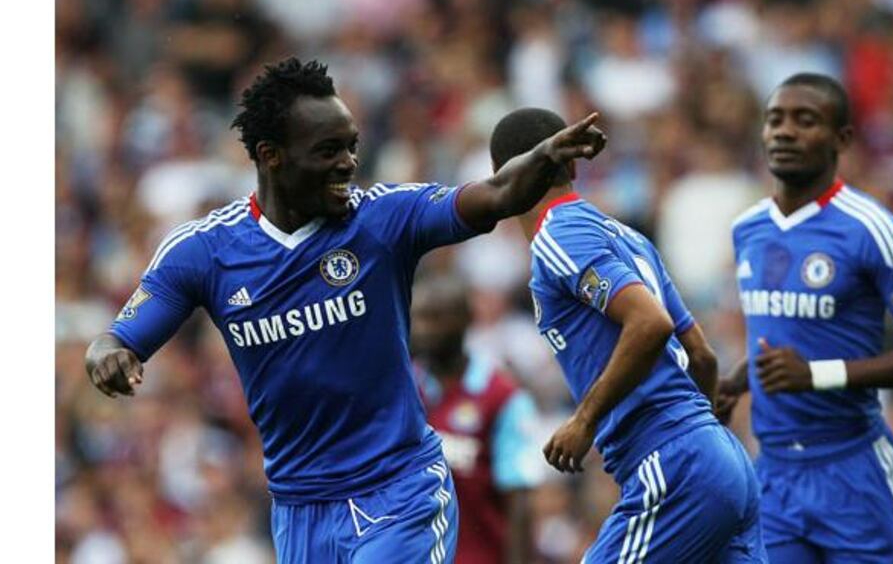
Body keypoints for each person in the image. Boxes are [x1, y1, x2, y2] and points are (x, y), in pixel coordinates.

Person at [83, 57, 607, 564]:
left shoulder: (382, 220)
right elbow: (120, 337)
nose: (348, 163)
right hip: (300, 511)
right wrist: (109, 354)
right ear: (271, 155)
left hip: (399, 492)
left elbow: (495, 194)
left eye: (352, 147)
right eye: (328, 150)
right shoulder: (204, 252)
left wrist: (545, 156)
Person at [491, 107, 768, 563]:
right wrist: (703, 437)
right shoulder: (628, 236)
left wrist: (584, 420)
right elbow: (701, 356)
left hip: (673, 464)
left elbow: (650, 323)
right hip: (720, 459)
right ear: (573, 166)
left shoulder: (557, 237)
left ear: (503, 177)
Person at [718, 73, 893, 564]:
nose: (785, 132)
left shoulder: (871, 229)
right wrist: (741, 379)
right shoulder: (748, 228)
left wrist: (817, 375)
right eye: (775, 120)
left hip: (853, 468)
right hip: (775, 472)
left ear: (842, 139)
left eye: (805, 120)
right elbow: (786, 330)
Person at [411, 274, 543, 564]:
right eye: (417, 318)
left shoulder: (502, 396)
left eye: (434, 319)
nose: (422, 330)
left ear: (465, 320)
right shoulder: (403, 389)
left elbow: (518, 498)